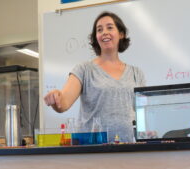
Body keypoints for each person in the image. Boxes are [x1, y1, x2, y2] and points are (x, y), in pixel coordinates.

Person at [44, 11, 145, 143]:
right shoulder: (84, 69)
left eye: (109, 27)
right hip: (93, 150)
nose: (104, 32)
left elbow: (143, 113)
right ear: (96, 37)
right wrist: (55, 97)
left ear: (121, 34)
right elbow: (63, 103)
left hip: (130, 147)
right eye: (99, 30)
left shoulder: (136, 73)